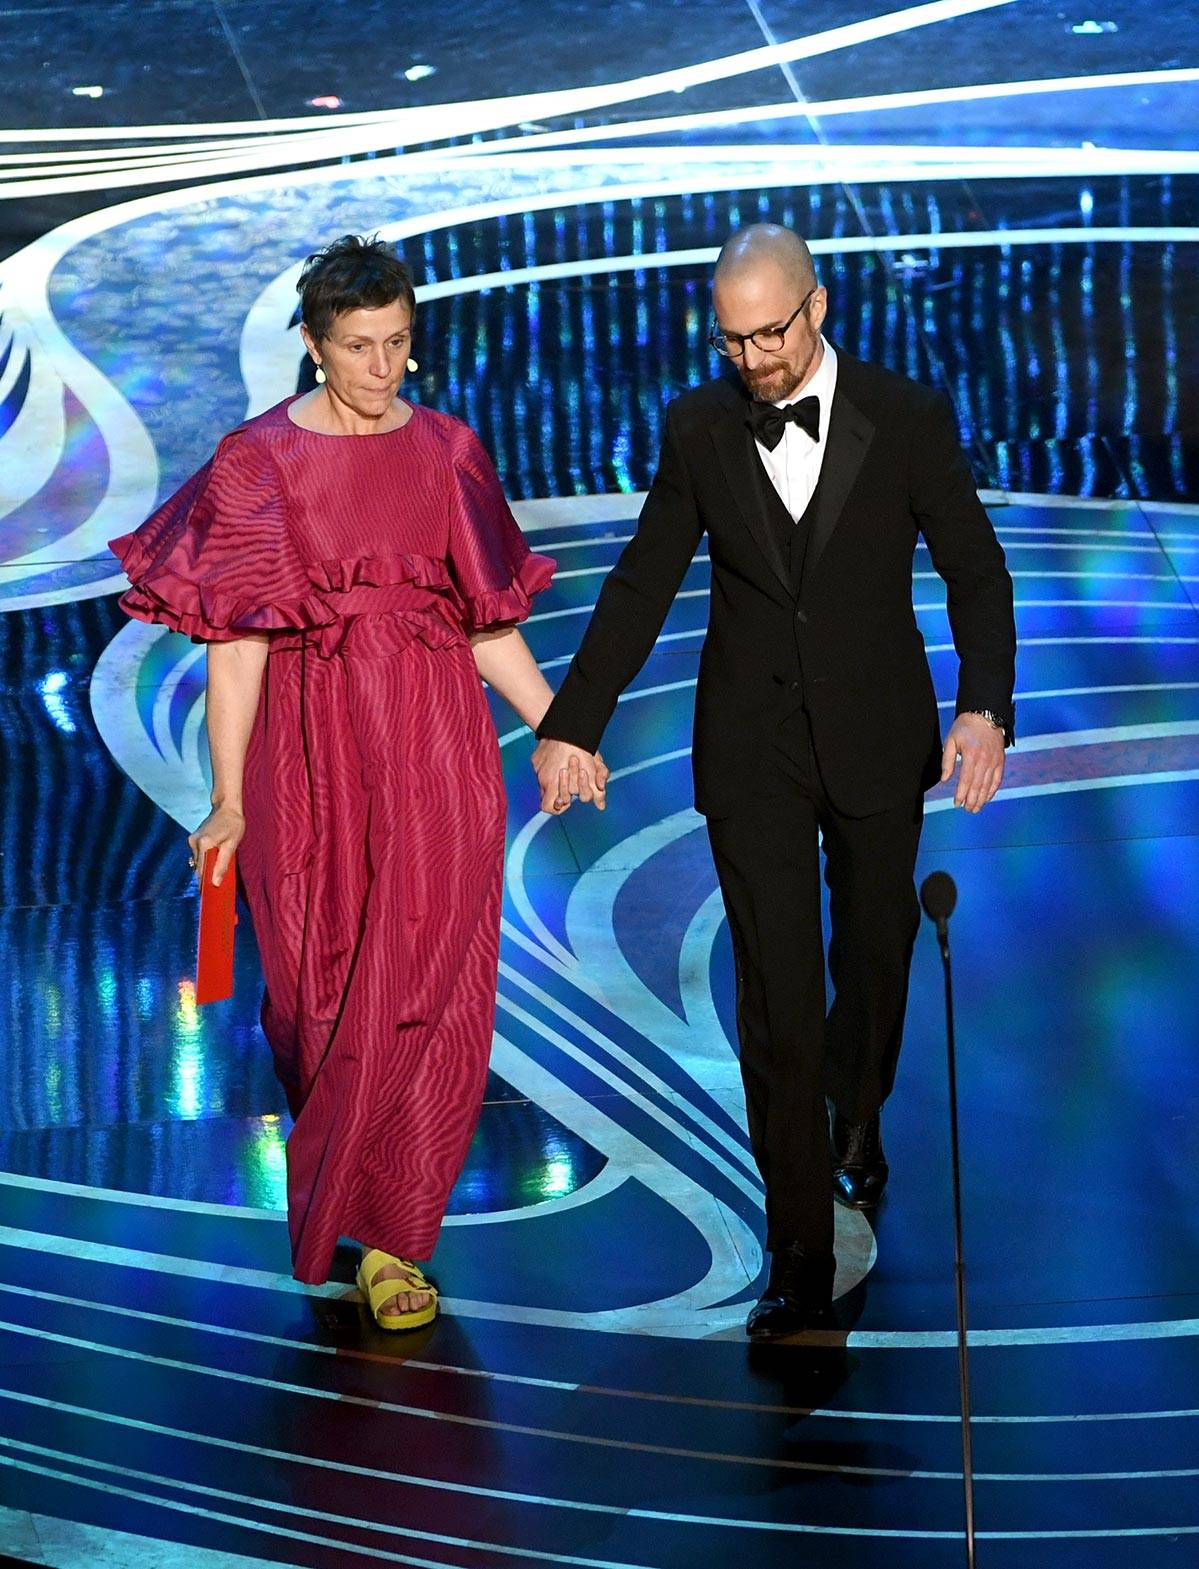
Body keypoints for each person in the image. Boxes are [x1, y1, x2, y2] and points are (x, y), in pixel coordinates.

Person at [532, 224, 1016, 1339]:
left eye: (766, 334)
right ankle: (797, 1245)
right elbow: (643, 579)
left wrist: (981, 706)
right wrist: (571, 725)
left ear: (817, 308)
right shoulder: (699, 427)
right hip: (748, 745)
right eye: (729, 339)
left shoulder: (904, 417)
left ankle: (857, 1111)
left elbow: (973, 569)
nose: (749, 358)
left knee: (875, 953)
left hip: (874, 734)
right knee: (778, 996)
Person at [109, 234, 585, 1331]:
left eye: (400, 344)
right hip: (308, 759)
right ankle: (345, 1192)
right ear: (317, 350)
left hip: (434, 751)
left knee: (428, 991)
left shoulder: (449, 451)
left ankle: (391, 1238)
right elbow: (235, 646)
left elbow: (485, 623)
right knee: (313, 1001)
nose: (385, 369)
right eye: (362, 348)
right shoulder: (258, 462)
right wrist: (226, 797)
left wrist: (562, 731)